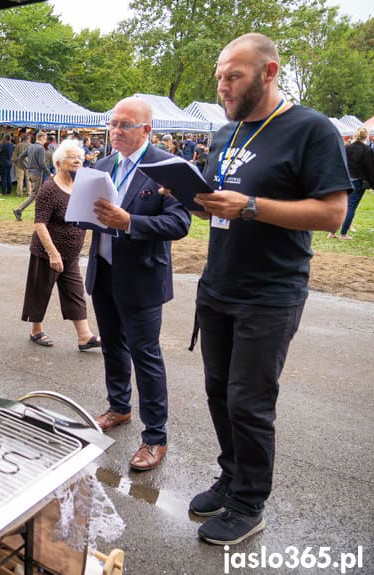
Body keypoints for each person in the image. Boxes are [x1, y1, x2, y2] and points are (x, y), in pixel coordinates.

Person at [183, 33, 350, 546]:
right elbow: (218, 203)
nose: (222, 85)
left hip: (271, 291)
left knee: (249, 402)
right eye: (219, 76)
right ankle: (232, 477)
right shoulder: (224, 132)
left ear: (269, 71)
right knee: (217, 393)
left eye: (233, 75)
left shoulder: (310, 129)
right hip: (218, 283)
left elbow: (332, 213)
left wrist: (251, 206)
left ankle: (250, 502)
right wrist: (190, 195)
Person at [84, 97, 191, 472]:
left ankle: (155, 437)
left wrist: (128, 221)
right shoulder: (101, 164)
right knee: (113, 346)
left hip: (142, 277)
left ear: (147, 129)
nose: (116, 131)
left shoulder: (167, 167)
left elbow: (180, 224)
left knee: (145, 356)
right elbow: (93, 213)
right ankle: (118, 406)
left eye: (126, 125)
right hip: (104, 270)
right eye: (112, 124)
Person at [21, 139, 100, 351]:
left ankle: (85, 336)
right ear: (58, 163)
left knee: (75, 292)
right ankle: (36, 330)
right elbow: (39, 224)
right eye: (73, 158)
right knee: (40, 291)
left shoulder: (81, 187)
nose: (78, 161)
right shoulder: (49, 189)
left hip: (71, 253)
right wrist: (52, 253)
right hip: (48, 252)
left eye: (80, 158)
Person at [328, 127, 374, 240]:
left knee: (341, 206)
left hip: (345, 179)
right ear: (366, 136)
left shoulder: (346, 147)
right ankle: (343, 234)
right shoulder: (367, 150)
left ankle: (332, 232)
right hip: (358, 181)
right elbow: (370, 168)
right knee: (351, 207)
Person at [13, 131, 52, 221]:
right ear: (41, 138)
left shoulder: (31, 147)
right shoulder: (41, 148)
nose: (46, 140)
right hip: (37, 173)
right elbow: (42, 163)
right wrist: (49, 173)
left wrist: (26, 167)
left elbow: (20, 158)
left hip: (30, 172)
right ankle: (19, 210)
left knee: (36, 194)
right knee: (34, 195)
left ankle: (40, 213)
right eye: (45, 138)